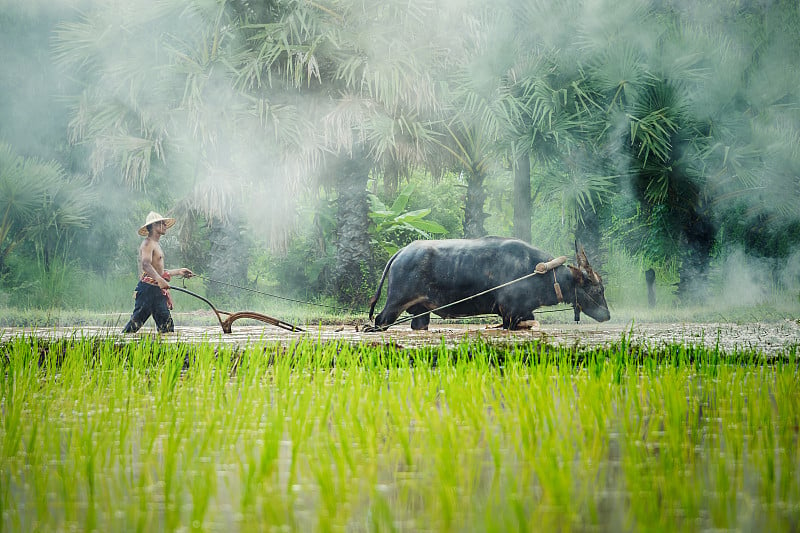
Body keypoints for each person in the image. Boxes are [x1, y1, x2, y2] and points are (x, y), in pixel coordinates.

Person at [122, 211, 194, 333]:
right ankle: (118, 346)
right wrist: (160, 280)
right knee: (134, 325)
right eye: (163, 223)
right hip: (147, 291)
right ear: (154, 225)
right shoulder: (147, 243)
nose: (165, 226)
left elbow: (158, 271)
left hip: (157, 292)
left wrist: (179, 271)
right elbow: (145, 264)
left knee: (167, 327)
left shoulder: (156, 244)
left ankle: (166, 351)